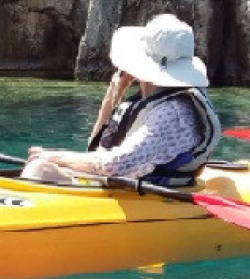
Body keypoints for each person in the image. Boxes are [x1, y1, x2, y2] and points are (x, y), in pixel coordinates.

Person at [22, 13, 221, 185]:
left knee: (40, 169)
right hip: (124, 187)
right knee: (43, 167)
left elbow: (112, 166)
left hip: (148, 197)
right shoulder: (153, 101)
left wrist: (52, 156)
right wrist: (114, 94)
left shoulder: (173, 112)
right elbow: (96, 150)